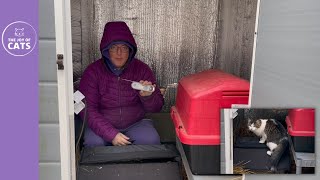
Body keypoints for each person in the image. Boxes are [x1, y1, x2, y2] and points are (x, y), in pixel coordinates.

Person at [79, 21, 164, 147]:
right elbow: (86, 109)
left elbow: (156, 108)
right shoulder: (93, 72)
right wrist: (111, 134)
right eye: (114, 47)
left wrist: (148, 97)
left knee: (151, 141)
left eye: (124, 47)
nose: (119, 53)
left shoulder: (142, 69)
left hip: (136, 123)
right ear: (106, 50)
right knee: (93, 144)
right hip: (102, 125)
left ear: (130, 50)